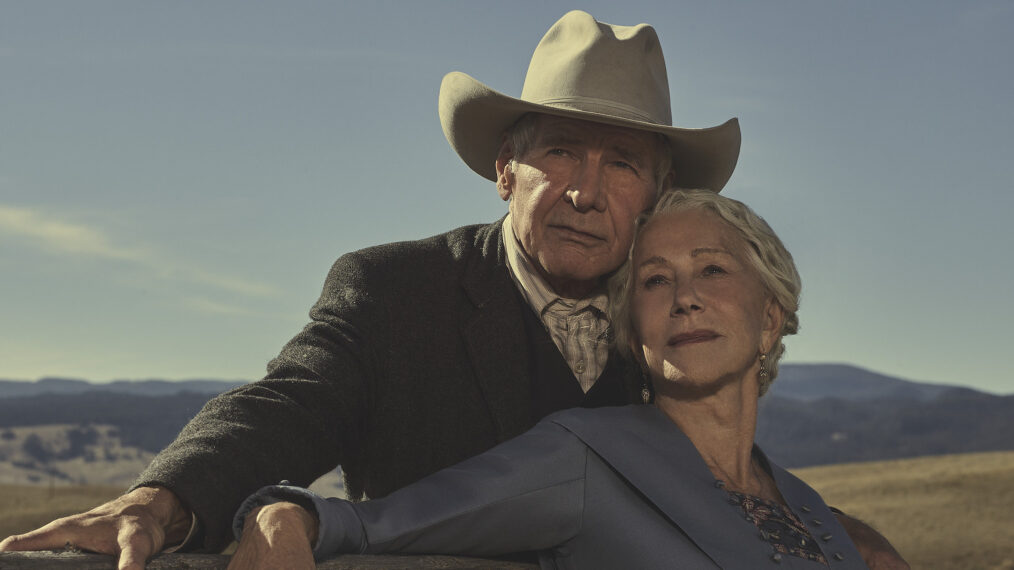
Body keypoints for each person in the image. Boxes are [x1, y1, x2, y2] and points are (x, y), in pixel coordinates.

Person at [0, 11, 906, 570]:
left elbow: (711, 482)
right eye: (560, 151)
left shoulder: (672, 321)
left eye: (621, 162)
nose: (587, 190)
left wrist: (837, 534)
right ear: (504, 169)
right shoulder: (398, 291)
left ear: (655, 194)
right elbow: (286, 406)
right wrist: (162, 499)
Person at [227, 189, 883, 569]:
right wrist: (288, 513)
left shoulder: (807, 507)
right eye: (655, 280)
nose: (684, 296)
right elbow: (381, 523)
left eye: (712, 269)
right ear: (633, 332)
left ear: (771, 319)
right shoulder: (583, 457)